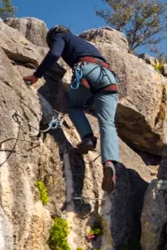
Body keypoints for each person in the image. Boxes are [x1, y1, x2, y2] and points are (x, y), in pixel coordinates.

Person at [24, 26, 120, 192]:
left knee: (75, 108)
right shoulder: (85, 44)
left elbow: (54, 54)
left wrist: (37, 75)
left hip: (86, 70)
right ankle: (109, 162)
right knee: (108, 123)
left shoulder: (60, 36)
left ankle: (88, 137)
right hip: (108, 76)